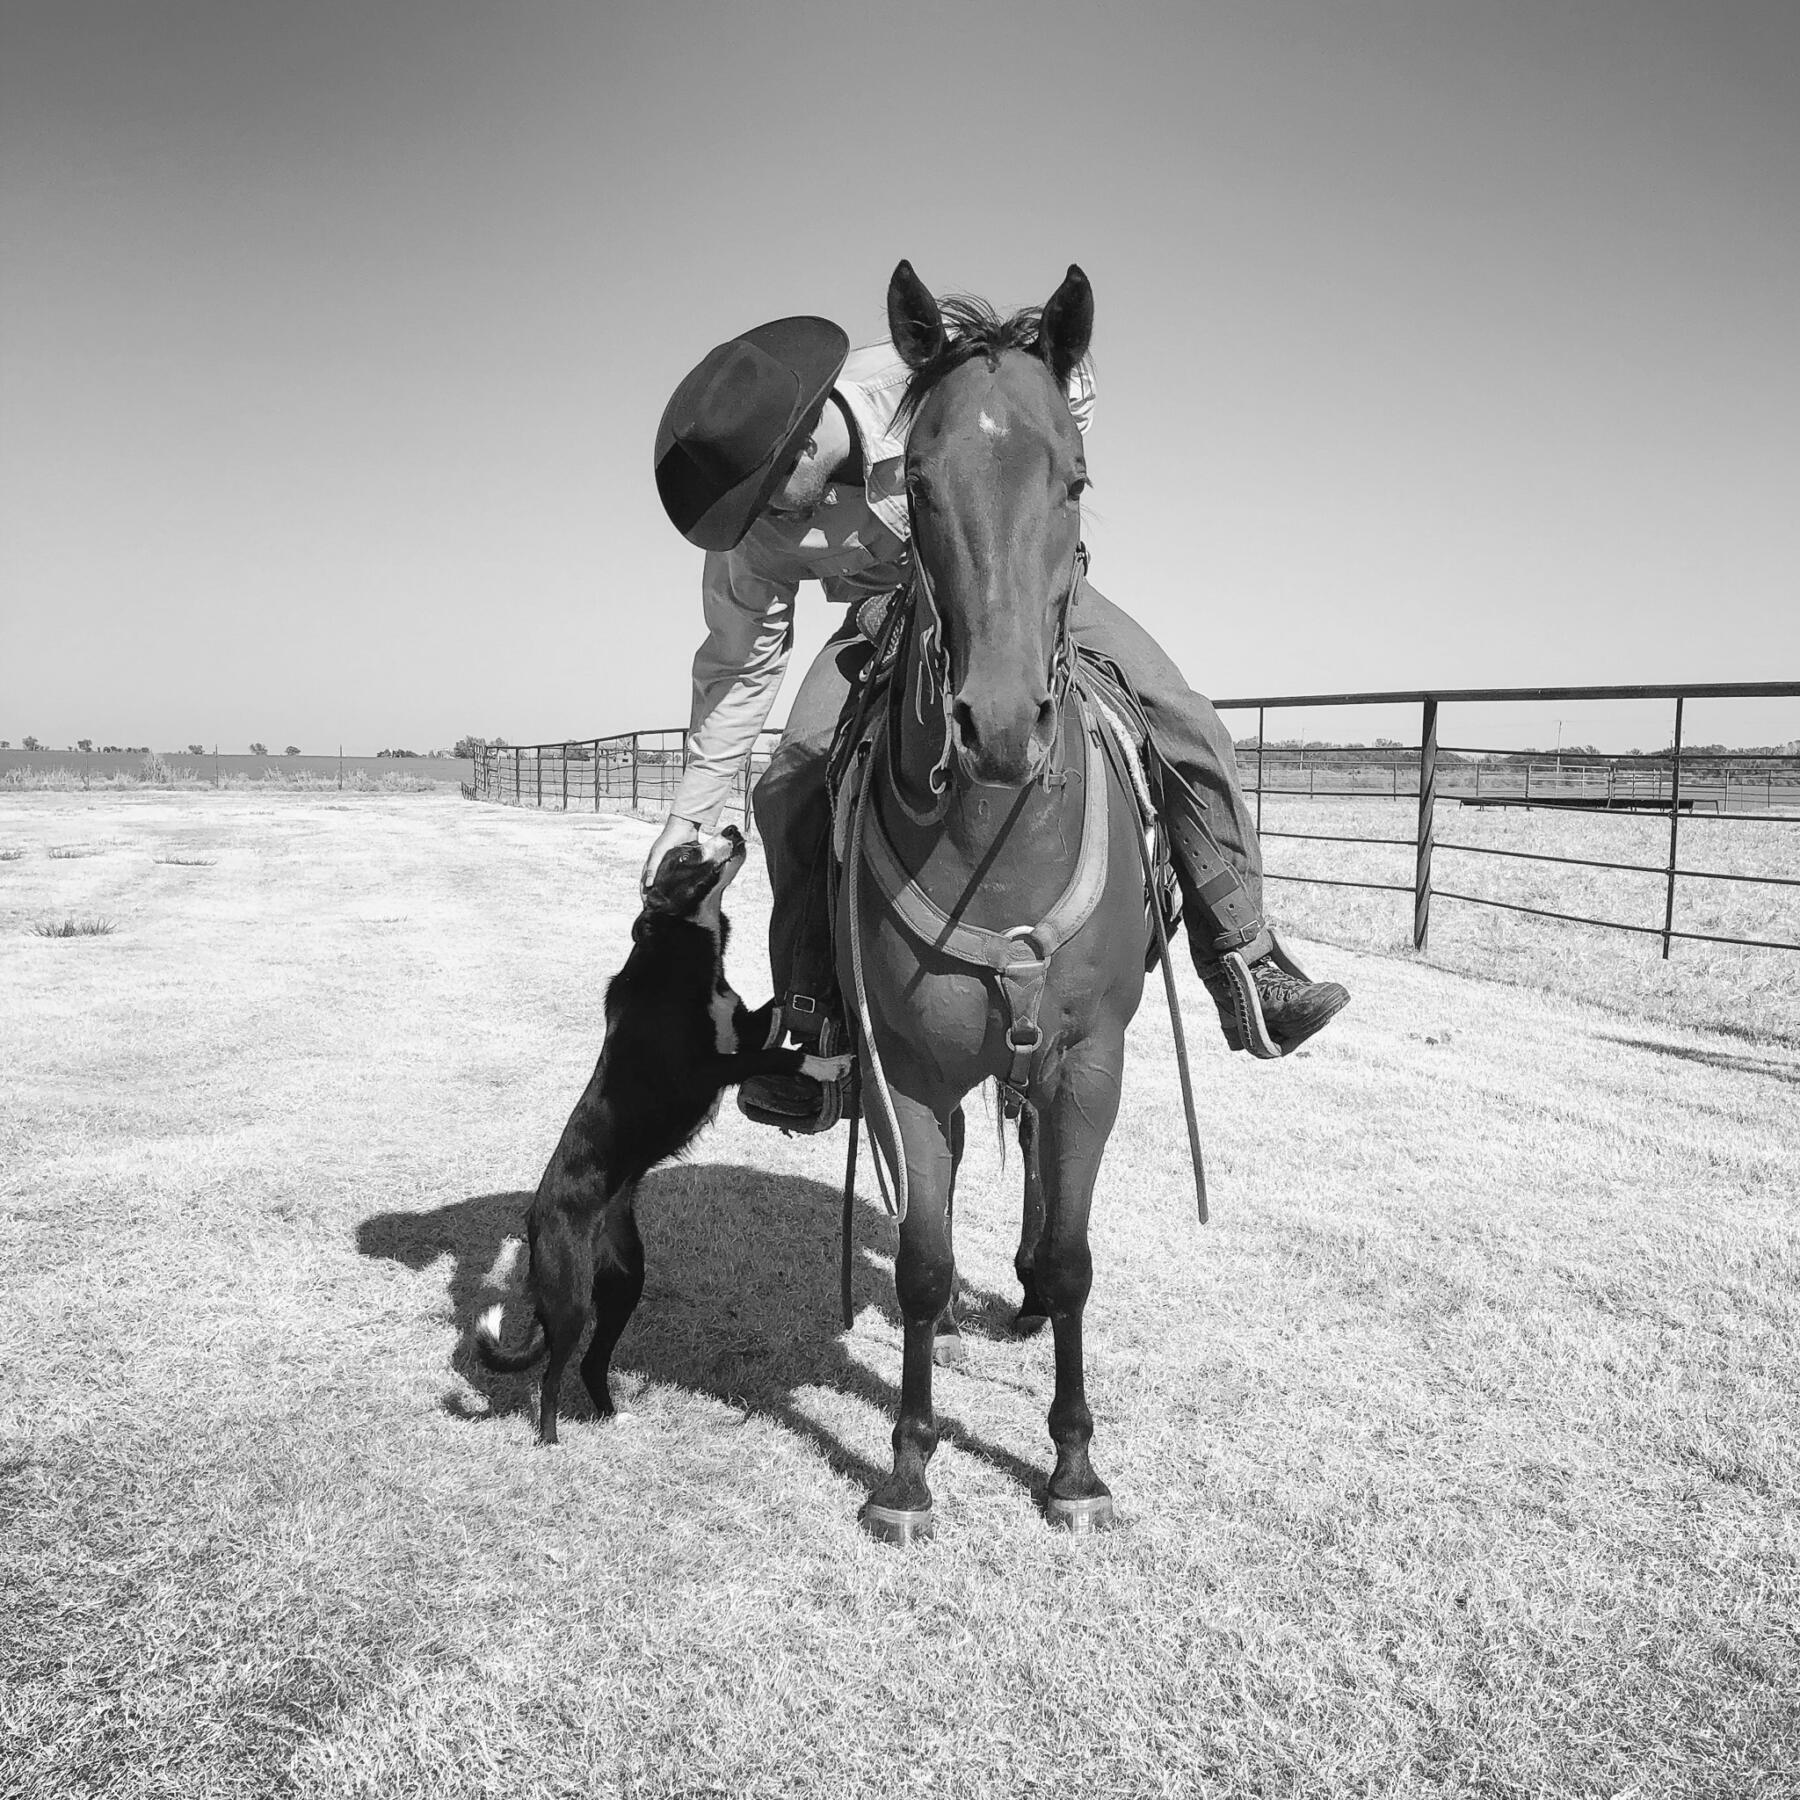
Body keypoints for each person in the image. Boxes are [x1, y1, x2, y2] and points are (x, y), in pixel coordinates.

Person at [646, 311, 1349, 1131]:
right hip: (882, 614)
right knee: (791, 778)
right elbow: (740, 664)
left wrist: (1032, 387)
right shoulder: (750, 532)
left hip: (1013, 588)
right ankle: (815, 1016)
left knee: (1184, 718)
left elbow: (1063, 385)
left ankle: (1243, 954)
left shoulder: (923, 382)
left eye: (763, 501)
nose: (763, 523)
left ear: (800, 446)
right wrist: (689, 814)